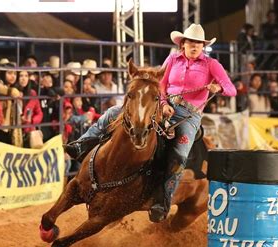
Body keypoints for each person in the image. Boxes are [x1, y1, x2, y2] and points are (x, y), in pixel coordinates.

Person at [64, 23, 236, 222]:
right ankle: (81, 145)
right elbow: (159, 84)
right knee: (114, 113)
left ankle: (162, 201)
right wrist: (163, 104)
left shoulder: (211, 65)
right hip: (162, 105)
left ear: (203, 46)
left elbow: (231, 89)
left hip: (189, 115)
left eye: (199, 43)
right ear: (183, 44)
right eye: (191, 42)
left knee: (179, 156)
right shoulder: (172, 59)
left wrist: (218, 89)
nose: (195, 46)